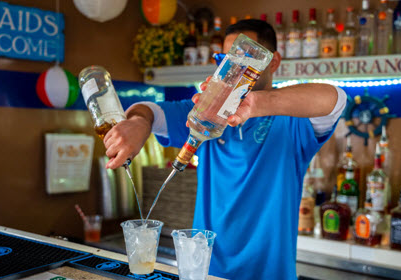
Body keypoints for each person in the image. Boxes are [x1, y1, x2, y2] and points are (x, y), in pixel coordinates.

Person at [104, 20, 346, 280]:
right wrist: (139, 123)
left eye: (245, 57)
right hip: (208, 273)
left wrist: (255, 103)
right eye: (225, 58)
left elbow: (335, 99)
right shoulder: (206, 113)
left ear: (273, 62)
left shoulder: (291, 122)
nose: (233, 67)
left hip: (270, 274)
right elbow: (150, 110)